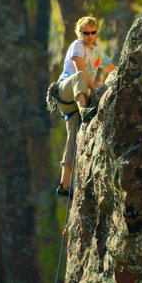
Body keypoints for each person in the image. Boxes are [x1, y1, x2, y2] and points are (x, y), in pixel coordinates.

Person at [54, 16, 116, 196]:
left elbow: (111, 67)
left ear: (96, 33)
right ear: (79, 33)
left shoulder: (96, 51)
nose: (89, 36)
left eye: (93, 32)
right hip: (65, 91)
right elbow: (79, 68)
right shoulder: (77, 46)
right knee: (81, 76)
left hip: (78, 95)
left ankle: (64, 186)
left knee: (73, 139)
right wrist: (95, 88)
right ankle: (84, 109)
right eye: (85, 32)